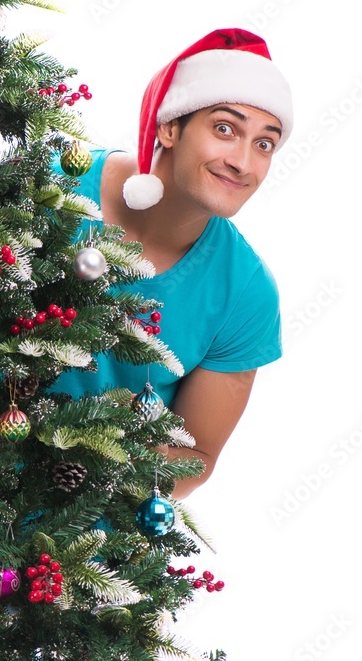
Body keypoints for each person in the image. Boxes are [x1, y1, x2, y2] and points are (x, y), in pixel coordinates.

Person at [49, 28, 293, 498]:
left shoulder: (246, 293)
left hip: (83, 546)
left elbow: (196, 455)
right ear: (170, 127)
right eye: (225, 129)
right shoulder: (56, 186)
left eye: (265, 144)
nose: (244, 162)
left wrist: (83, 461)